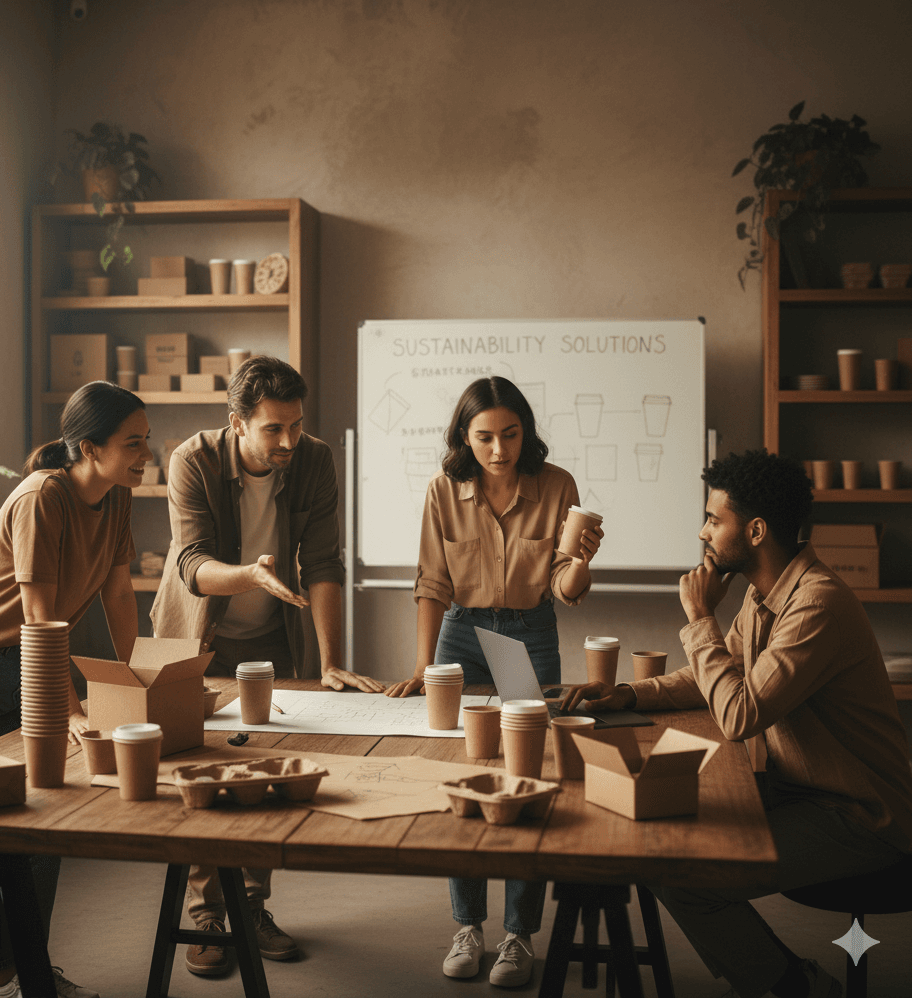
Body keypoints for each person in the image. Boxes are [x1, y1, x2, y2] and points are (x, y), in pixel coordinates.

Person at [561, 449, 912, 998]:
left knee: (683, 871)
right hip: (802, 793)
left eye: (712, 519)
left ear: (754, 530)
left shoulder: (816, 606)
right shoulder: (764, 593)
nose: (702, 532)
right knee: (657, 840)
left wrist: (700, 617)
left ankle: (796, 986)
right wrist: (626, 693)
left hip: (860, 816)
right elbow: (713, 676)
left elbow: (739, 714)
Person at [0, 380, 150, 998]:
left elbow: (119, 593)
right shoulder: (42, 497)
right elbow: (39, 621)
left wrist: (134, 680)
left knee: (43, 821)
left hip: (28, 662)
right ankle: (1, 976)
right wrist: (72, 709)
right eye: (133, 443)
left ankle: (27, 969)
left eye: (146, 440)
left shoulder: (118, 495)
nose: (146, 453)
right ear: (89, 447)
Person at [150, 354, 382, 977]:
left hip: (275, 636)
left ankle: (250, 905)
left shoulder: (313, 458)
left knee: (263, 766)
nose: (287, 440)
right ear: (237, 423)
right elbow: (193, 564)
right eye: (272, 429)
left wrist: (331, 661)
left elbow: (326, 562)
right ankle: (206, 917)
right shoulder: (192, 459)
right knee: (204, 772)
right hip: (200, 633)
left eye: (295, 425)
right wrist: (250, 574)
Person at [385, 376, 603, 988]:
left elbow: (567, 590)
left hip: (527, 635)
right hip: (463, 633)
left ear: (526, 433)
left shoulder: (556, 485)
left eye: (511, 435)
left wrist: (581, 563)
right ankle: (468, 925)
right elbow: (431, 583)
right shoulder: (443, 489)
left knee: (525, 779)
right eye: (485, 437)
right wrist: (427, 669)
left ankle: (517, 936)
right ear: (464, 436)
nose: (499, 450)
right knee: (464, 774)